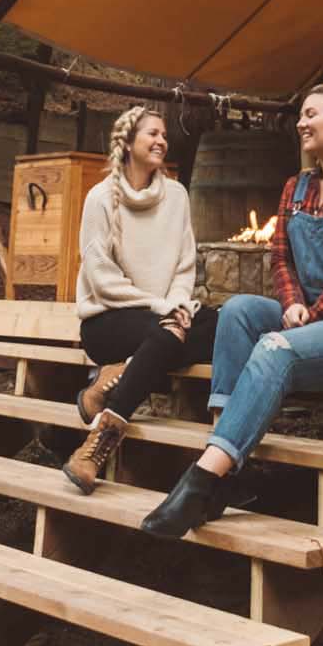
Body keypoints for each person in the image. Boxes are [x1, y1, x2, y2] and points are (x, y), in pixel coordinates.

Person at [140, 77, 323, 538]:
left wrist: (311, 313)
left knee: (276, 347)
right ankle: (224, 470)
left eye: (310, 115)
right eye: (301, 115)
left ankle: (200, 482)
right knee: (238, 309)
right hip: (308, 315)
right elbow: (280, 257)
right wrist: (293, 302)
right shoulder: (295, 187)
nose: (300, 123)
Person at [64, 104, 218, 494]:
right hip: (108, 321)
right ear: (128, 141)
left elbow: (185, 265)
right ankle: (97, 444)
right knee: (169, 333)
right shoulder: (100, 198)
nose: (162, 141)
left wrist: (179, 302)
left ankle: (114, 380)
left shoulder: (177, 196)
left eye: (164, 135)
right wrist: (159, 305)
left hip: (161, 321)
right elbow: (100, 277)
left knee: (218, 323)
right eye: (152, 133)